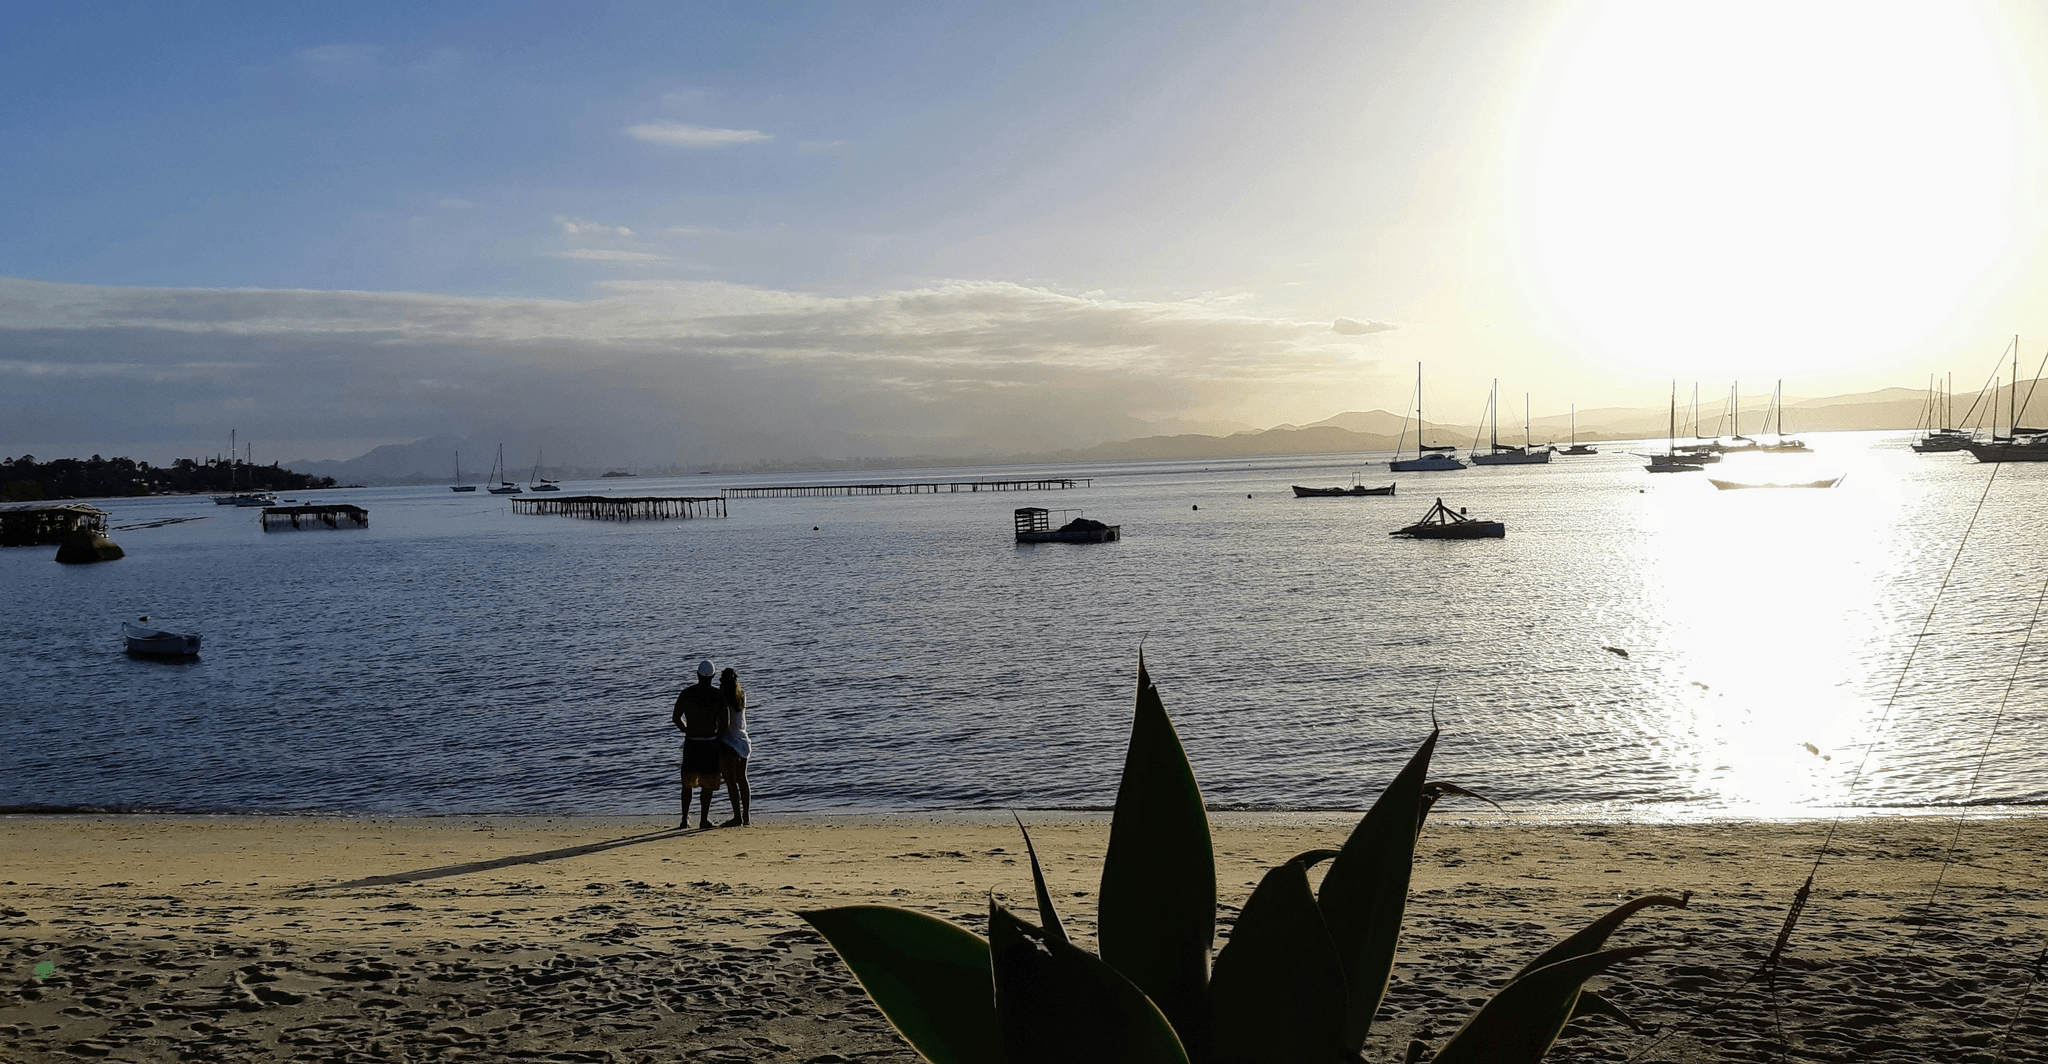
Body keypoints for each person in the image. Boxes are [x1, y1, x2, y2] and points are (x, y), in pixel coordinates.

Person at [671, 659, 726, 829]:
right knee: (707, 783)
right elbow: (726, 722)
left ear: (697, 674)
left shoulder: (687, 693)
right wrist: (717, 735)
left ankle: (684, 819)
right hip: (709, 743)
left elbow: (675, 718)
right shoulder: (718, 696)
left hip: (692, 743)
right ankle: (703, 819)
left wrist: (687, 730)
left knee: (687, 783)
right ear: (713, 676)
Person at [716, 667, 751, 827]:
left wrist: (715, 737)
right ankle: (746, 816)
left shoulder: (723, 698)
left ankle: (736, 816)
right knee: (742, 779)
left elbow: (725, 723)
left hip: (728, 741)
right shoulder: (741, 695)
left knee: (731, 782)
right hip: (743, 740)